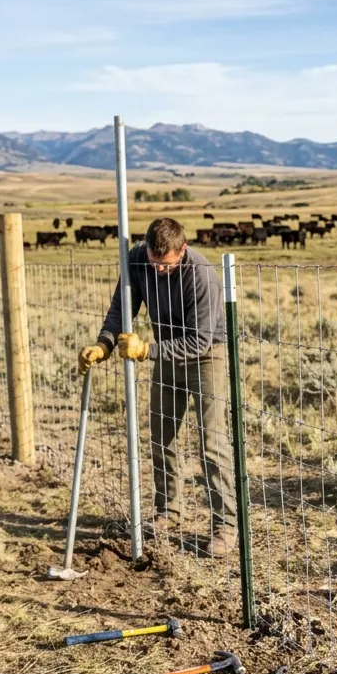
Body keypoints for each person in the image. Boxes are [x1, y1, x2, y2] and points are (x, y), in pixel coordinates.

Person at [78, 217, 237, 556]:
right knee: (161, 437)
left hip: (206, 357)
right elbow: (120, 311)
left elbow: (198, 341)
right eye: (154, 262)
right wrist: (104, 344)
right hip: (165, 354)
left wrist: (147, 350)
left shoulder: (202, 275)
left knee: (212, 442)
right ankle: (168, 512)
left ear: (183, 250)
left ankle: (225, 526)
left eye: (166, 265)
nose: (159, 270)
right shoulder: (138, 260)